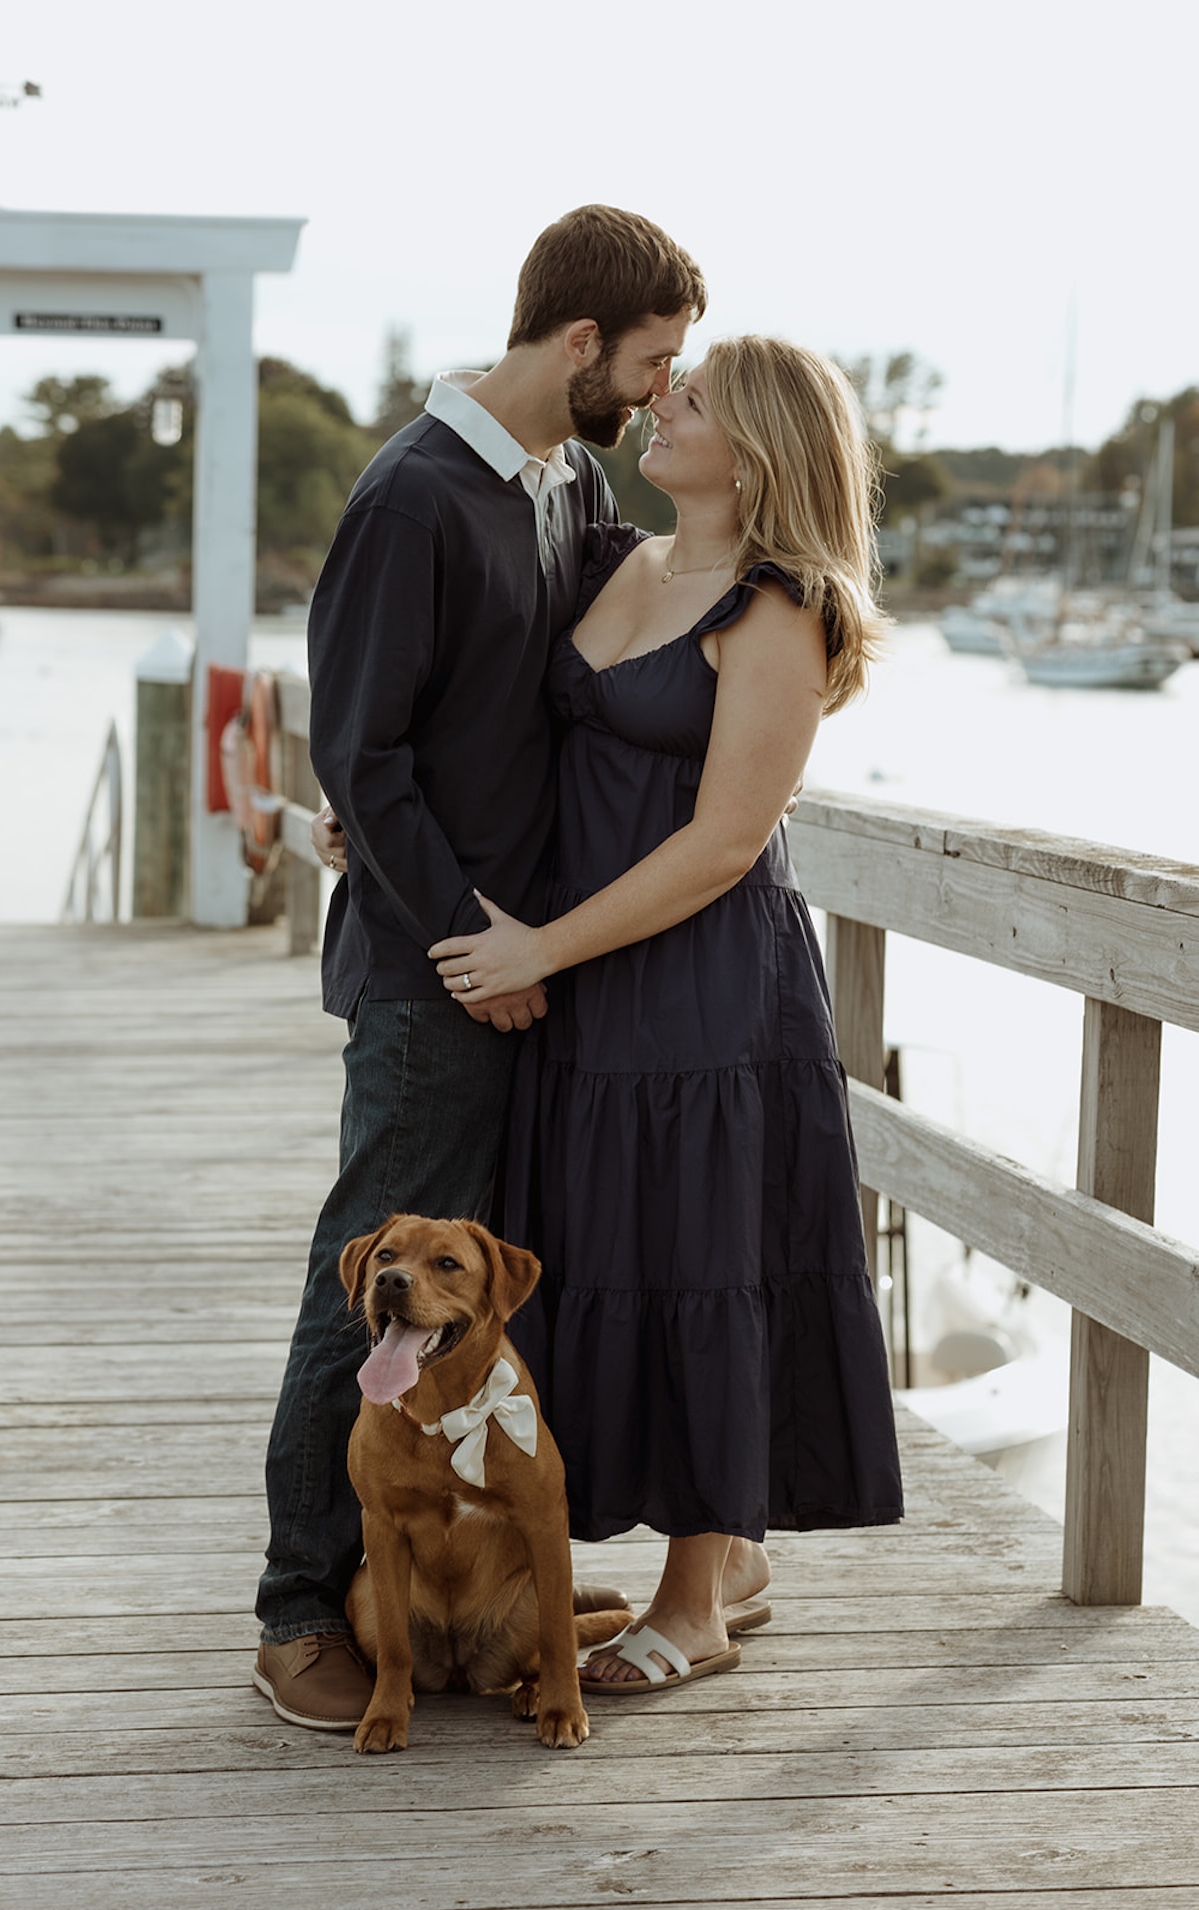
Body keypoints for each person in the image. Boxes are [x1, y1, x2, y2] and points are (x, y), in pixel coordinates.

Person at [253, 206, 708, 1732]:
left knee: (486, 1301)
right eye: (651, 363)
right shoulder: (412, 498)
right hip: (436, 973)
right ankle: (298, 1610)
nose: (658, 394)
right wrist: (466, 947)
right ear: (579, 344)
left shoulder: (565, 477)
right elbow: (360, 751)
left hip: (532, 963)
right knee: (371, 1293)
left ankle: (487, 1580)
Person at [428, 336, 904, 1692]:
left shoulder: (780, 606)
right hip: (588, 979)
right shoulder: (617, 556)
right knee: (599, 1251)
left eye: (688, 398)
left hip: (700, 989)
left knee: (705, 1261)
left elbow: (726, 843)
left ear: (753, 448)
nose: (658, 402)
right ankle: (717, 1555)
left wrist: (540, 947)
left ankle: (699, 1593)